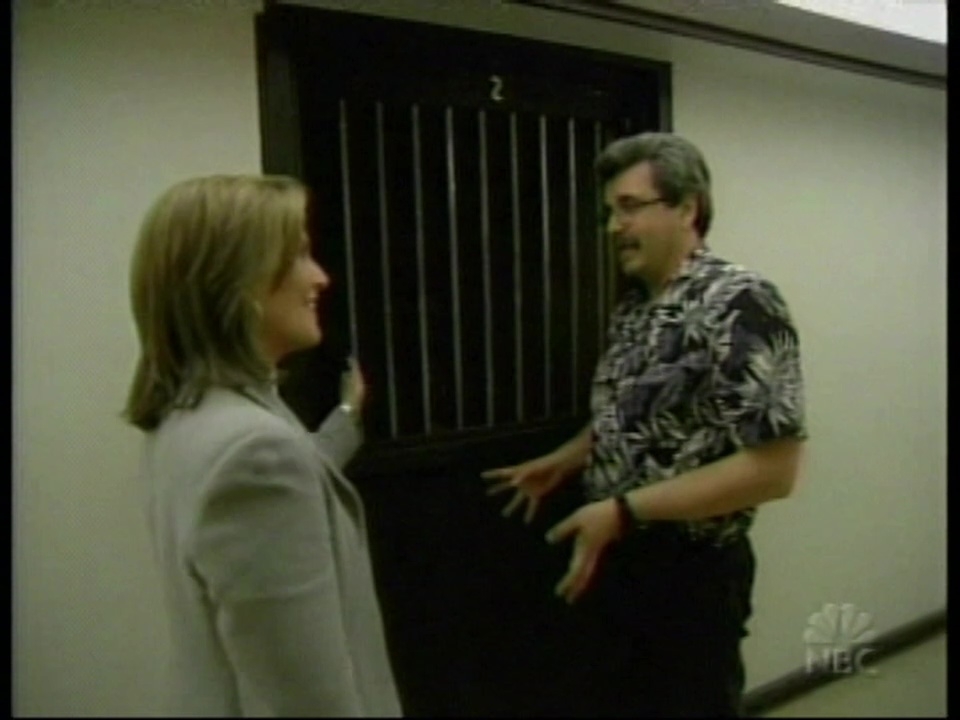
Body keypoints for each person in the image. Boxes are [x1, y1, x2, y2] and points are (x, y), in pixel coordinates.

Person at [483, 132, 807, 717]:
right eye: (610, 211)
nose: (613, 226)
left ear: (687, 208)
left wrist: (625, 509)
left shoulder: (741, 303)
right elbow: (636, 418)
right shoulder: (635, 309)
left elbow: (774, 469)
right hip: (616, 560)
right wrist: (570, 456)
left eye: (630, 207)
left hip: (690, 574)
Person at [124, 175, 403, 717]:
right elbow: (310, 702)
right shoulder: (253, 452)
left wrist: (347, 415)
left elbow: (297, 485)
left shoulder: (190, 418)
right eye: (299, 255)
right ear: (239, 281)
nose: (320, 277)